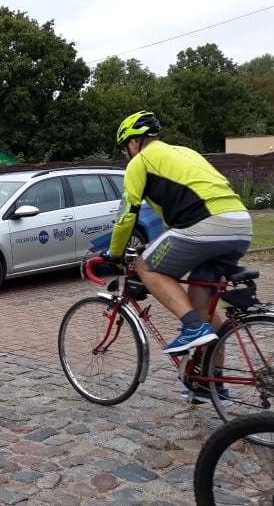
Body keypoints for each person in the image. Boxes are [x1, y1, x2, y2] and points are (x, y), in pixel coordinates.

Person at [105, 111, 251, 362]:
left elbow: (127, 216)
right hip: (240, 224)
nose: (125, 154)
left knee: (146, 266)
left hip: (207, 224)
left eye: (124, 148)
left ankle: (193, 327)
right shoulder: (186, 152)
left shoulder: (139, 162)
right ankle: (212, 377)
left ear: (133, 142)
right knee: (199, 301)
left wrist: (114, 253)